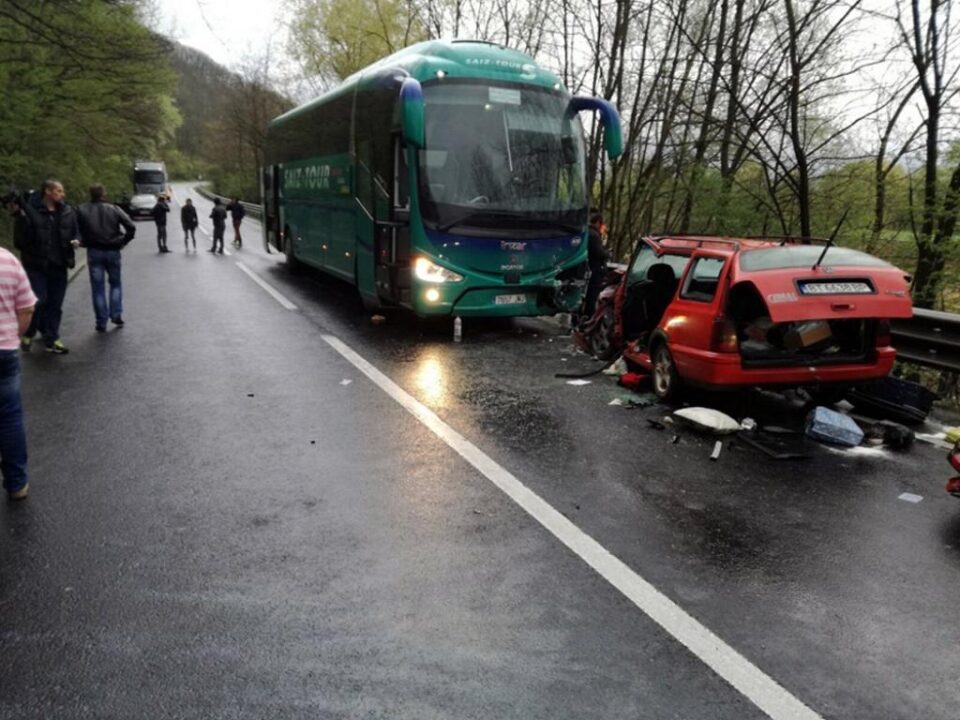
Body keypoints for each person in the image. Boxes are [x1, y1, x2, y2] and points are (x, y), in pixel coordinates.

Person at [17, 178, 79, 355]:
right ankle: (29, 332)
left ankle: (52, 338)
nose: (63, 194)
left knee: (55, 304)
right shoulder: (30, 212)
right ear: (48, 192)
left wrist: (76, 240)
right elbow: (20, 241)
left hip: (59, 264)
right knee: (39, 301)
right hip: (37, 265)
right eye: (59, 191)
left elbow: (75, 230)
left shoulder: (67, 211)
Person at [0, 230, 36, 500]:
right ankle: (17, 484)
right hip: (4, 350)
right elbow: (27, 308)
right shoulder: (8, 260)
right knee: (10, 417)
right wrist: (12, 336)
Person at [77, 184, 136, 332]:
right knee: (115, 283)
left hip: (94, 251)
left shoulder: (82, 209)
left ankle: (101, 321)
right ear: (103, 194)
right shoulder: (114, 209)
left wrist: (83, 242)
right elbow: (131, 226)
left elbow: (75, 229)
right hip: (112, 250)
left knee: (97, 288)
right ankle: (116, 314)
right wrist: (123, 241)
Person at [581, 211, 611, 322]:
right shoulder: (594, 235)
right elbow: (599, 253)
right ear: (598, 223)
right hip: (594, 270)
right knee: (592, 296)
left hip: (587, 269)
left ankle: (583, 316)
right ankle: (589, 317)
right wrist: (607, 253)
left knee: (587, 295)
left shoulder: (586, 232)